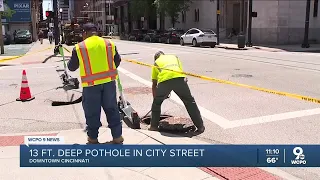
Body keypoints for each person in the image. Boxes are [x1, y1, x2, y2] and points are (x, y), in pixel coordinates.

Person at [68, 23, 123, 144]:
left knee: (92, 112)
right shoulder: (109, 43)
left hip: (91, 85)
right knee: (112, 109)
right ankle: (117, 137)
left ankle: (93, 138)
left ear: (84, 33)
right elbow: (117, 61)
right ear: (96, 32)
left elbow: (72, 67)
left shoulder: (79, 47)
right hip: (109, 83)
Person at [149, 51, 205, 133]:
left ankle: (153, 126)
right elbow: (179, 71)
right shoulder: (174, 57)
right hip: (180, 79)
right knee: (190, 101)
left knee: (157, 104)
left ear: (156, 58)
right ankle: (200, 126)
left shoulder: (156, 62)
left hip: (164, 82)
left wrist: (156, 99)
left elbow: (154, 84)